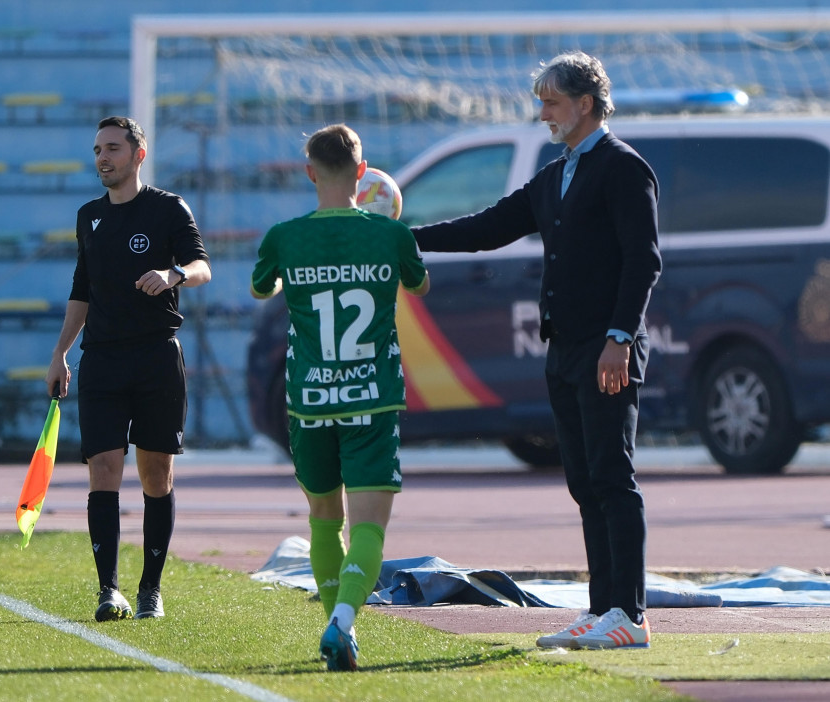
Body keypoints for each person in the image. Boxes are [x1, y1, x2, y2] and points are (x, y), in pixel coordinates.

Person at [411, 52, 661, 650]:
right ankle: (604, 610)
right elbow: (490, 226)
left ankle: (630, 613)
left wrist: (619, 339)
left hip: (607, 349)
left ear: (585, 103)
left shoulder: (624, 168)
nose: (543, 112)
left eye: (552, 101)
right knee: (583, 482)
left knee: (612, 476)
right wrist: (402, 236)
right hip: (565, 350)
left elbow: (643, 260)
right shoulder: (557, 173)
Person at [250, 123, 430, 671]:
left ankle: (337, 637)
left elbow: (261, 288)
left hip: (309, 400)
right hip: (372, 396)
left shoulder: (284, 235)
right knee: (369, 526)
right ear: (362, 171)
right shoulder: (390, 234)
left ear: (309, 172)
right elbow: (418, 285)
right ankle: (343, 623)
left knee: (323, 521)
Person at [45, 115, 212, 622]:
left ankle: (150, 591)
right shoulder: (88, 216)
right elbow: (82, 291)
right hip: (103, 361)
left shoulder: (167, 209)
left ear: (138, 154)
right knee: (103, 472)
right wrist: (60, 353)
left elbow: (204, 266)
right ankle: (108, 591)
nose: (103, 157)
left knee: (156, 476)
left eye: (113, 148)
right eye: (97, 149)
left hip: (157, 356)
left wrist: (173, 274)